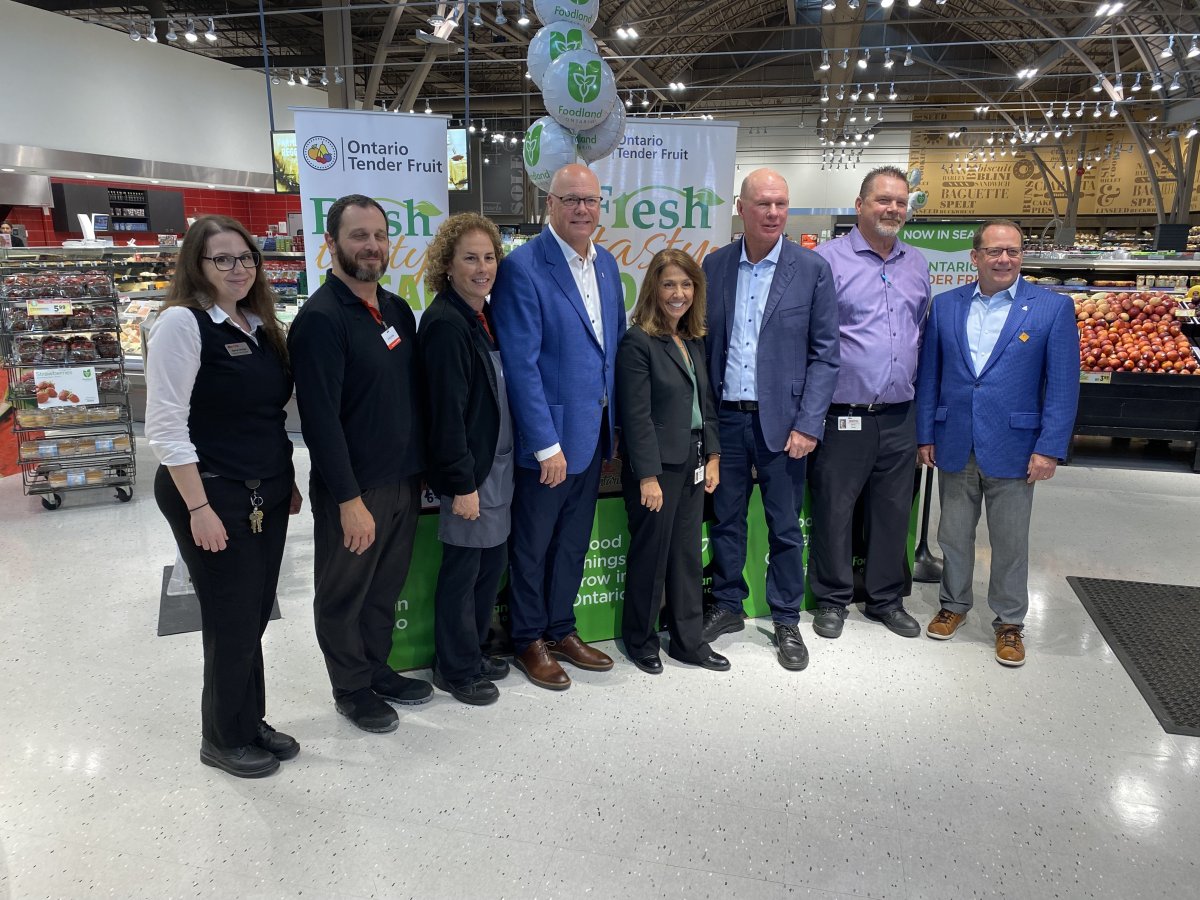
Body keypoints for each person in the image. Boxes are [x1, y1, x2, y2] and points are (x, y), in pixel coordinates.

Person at [145, 215, 301, 778]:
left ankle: (249, 719)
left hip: (263, 488)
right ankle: (221, 736)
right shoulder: (183, 324)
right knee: (231, 614)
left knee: (255, 611)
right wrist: (199, 508)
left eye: (246, 257)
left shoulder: (258, 325)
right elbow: (164, 427)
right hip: (208, 491)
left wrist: (286, 479)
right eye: (223, 259)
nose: (239, 268)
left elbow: (264, 417)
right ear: (198, 265)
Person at [288, 194, 432, 732]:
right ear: (331, 244)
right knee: (344, 591)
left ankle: (377, 668)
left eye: (378, 235)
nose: (371, 246)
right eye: (357, 236)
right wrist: (349, 502)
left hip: (402, 481)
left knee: (383, 588)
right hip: (355, 490)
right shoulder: (321, 320)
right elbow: (320, 422)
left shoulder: (396, 310)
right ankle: (350, 687)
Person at [916, 219, 1079, 667]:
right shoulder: (945, 306)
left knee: (1009, 541)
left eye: (1013, 251)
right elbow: (929, 375)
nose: (1004, 259)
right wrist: (925, 433)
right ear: (976, 257)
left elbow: (1063, 386)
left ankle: (1009, 622)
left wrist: (1050, 447)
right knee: (952, 534)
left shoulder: (1051, 308)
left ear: (1022, 255)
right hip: (954, 439)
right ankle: (953, 606)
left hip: (1016, 445)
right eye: (994, 251)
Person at [491, 163, 626, 690]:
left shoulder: (608, 264)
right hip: (549, 443)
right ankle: (528, 637)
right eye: (571, 200)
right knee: (533, 543)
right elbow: (521, 365)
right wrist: (545, 444)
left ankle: (561, 627)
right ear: (549, 203)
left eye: (590, 201)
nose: (581, 210)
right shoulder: (524, 268)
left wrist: (612, 425)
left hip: (594, 434)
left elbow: (607, 350)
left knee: (573, 540)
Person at [701, 167, 840, 671]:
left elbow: (826, 355)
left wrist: (809, 423)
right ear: (741, 208)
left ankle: (785, 617)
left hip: (785, 425)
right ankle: (728, 604)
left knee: (785, 526)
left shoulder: (811, 269)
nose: (774, 213)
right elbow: (702, 346)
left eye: (781, 204)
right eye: (763, 204)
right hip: (728, 422)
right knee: (725, 520)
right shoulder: (714, 267)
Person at [808, 166, 932, 640]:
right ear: (859, 205)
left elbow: (920, 330)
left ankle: (885, 598)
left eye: (900, 202)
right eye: (883, 200)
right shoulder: (828, 262)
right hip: (844, 415)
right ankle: (833, 599)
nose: (893, 209)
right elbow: (813, 340)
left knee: (893, 510)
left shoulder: (916, 263)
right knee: (835, 510)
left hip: (901, 415)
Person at [615, 249, 727, 675]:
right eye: (669, 284)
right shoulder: (638, 341)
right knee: (652, 555)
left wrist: (713, 455)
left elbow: (707, 404)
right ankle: (641, 640)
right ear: (653, 289)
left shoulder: (693, 339)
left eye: (686, 284)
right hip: (657, 469)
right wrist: (647, 476)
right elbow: (637, 416)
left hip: (694, 462)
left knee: (686, 557)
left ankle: (688, 641)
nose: (678, 293)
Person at [418, 213, 513, 706]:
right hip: (472, 474)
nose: (482, 267)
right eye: (470, 258)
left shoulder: (484, 314)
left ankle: (473, 649)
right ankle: (454, 668)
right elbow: (445, 415)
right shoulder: (444, 324)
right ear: (447, 266)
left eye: (489, 257)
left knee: (488, 567)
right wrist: (462, 484)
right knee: (464, 572)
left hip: (497, 468)